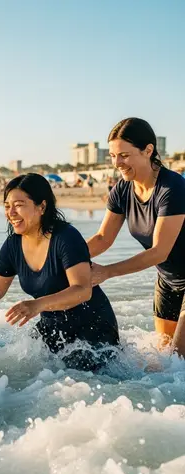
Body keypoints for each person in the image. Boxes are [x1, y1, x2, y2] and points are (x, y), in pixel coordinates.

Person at [0, 173, 119, 370]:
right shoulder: (13, 245)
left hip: (93, 329)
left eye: (19, 205)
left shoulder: (66, 238)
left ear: (42, 207)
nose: (11, 212)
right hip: (53, 327)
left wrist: (37, 305)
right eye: (7, 206)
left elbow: (82, 290)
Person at [87, 117, 185, 356]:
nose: (117, 163)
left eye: (124, 155)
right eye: (112, 156)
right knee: (164, 360)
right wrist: (60, 256)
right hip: (168, 281)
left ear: (148, 150)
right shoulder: (122, 190)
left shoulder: (172, 188)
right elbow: (102, 238)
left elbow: (159, 251)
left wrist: (107, 272)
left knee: (179, 360)